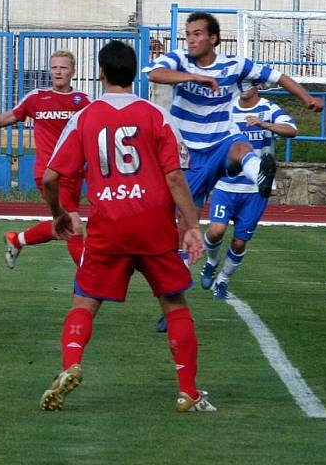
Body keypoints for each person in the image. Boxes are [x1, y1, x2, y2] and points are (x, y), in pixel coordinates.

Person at [39, 40, 216, 413]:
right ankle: (188, 391)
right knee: (174, 304)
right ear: (134, 74)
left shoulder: (85, 116)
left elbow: (52, 176)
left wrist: (59, 212)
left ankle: (70, 363)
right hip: (153, 224)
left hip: (109, 225)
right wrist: (191, 225)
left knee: (85, 301)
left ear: (100, 73)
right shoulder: (156, 115)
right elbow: (174, 176)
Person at [144, 11, 320, 333]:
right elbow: (154, 74)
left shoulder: (234, 65)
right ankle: (172, 305)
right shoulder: (180, 59)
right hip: (189, 155)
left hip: (221, 141)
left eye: (197, 33)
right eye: (189, 33)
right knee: (185, 233)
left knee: (240, 147)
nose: (191, 39)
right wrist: (194, 78)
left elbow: (278, 76)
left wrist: (306, 98)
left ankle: (260, 176)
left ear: (213, 38)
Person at [0, 50, 89, 268]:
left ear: (73, 71)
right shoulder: (37, 98)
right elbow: (13, 114)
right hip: (48, 173)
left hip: (74, 173)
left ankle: (18, 239)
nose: (58, 72)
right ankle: (90, 279)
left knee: (62, 224)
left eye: (63, 67)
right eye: (54, 67)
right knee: (74, 226)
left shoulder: (82, 101)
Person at [200, 83, 297, 299]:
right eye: (240, 82)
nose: (243, 87)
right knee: (215, 230)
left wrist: (265, 125)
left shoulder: (268, 108)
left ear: (258, 86)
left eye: (248, 83)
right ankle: (211, 262)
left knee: (239, 241)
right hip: (226, 184)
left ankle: (223, 280)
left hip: (254, 189)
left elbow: (292, 129)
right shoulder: (227, 108)